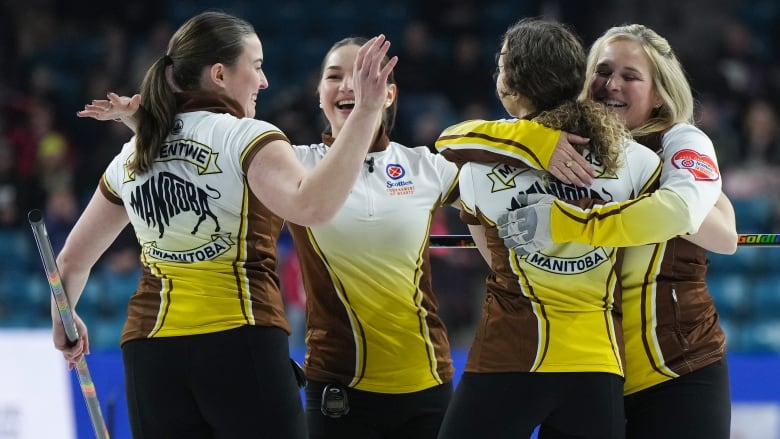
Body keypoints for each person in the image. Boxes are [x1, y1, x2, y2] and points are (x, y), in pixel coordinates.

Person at [80, 33, 589, 438]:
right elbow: (206, 165)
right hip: (336, 394)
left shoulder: (427, 167)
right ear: (319, 94)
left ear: (389, 92)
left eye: (363, 76)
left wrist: (537, 140)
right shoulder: (290, 163)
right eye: (334, 76)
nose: (349, 85)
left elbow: (491, 189)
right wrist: (147, 122)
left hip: (429, 387)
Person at [54, 11, 396, 439]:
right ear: (219, 74)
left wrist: (64, 321)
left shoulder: (132, 154)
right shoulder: (247, 136)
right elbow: (313, 206)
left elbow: (69, 261)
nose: (264, 81)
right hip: (239, 342)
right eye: (256, 66)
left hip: (149, 354)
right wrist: (365, 112)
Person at [497, 24, 737, 438]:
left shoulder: (680, 140)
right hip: (584, 373)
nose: (612, 85)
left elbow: (720, 235)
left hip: (679, 370)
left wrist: (573, 221)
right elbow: (460, 142)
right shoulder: (558, 139)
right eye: (603, 71)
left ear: (660, 93)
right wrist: (527, 138)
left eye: (630, 76)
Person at [433, 18, 664, 438]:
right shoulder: (639, 161)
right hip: (597, 365)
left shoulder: (476, 169)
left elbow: (490, 251)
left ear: (512, 83)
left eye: (501, 64)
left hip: (510, 355)